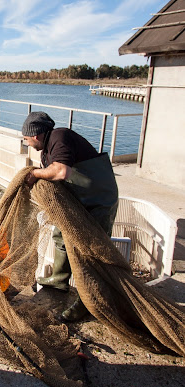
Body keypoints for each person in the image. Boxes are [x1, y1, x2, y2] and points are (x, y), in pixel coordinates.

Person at [22, 111, 118, 322]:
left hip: (98, 201)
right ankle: (59, 279)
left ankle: (88, 303)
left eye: (26, 139)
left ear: (35, 135)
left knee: (90, 252)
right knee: (60, 235)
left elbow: (62, 172)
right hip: (80, 200)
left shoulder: (60, 137)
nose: (26, 143)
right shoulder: (46, 148)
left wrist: (35, 174)